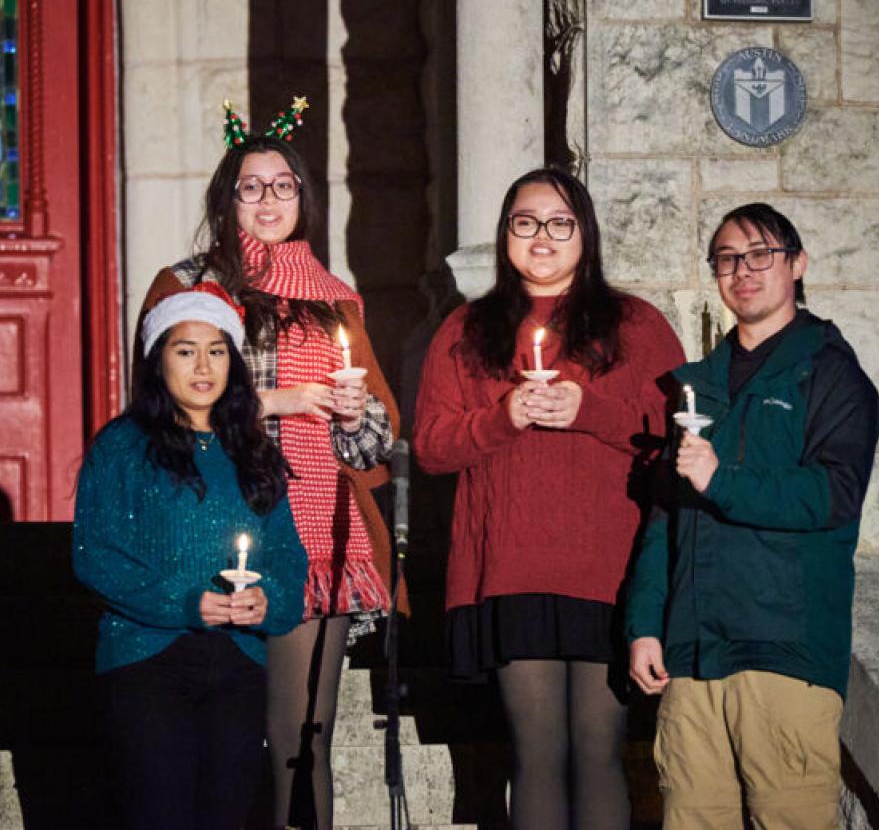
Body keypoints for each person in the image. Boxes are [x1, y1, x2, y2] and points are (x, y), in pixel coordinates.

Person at [139, 99, 402, 830]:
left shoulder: (334, 300)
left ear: (303, 197)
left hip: (315, 536)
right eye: (250, 186)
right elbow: (160, 409)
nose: (268, 200)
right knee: (218, 739)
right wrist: (278, 400)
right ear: (225, 200)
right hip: (213, 528)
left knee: (302, 739)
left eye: (283, 185)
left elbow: (377, 438)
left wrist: (351, 415)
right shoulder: (188, 287)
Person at [413, 167, 685, 830]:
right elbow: (432, 447)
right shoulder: (467, 329)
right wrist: (501, 418)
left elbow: (675, 432)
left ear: (585, 234)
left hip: (607, 568)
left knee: (598, 751)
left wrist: (588, 410)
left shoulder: (637, 324)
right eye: (525, 222)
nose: (542, 236)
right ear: (505, 233)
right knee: (535, 753)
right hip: (513, 566)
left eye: (560, 223)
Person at [626, 202, 879, 830]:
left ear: (797, 264)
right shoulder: (696, 387)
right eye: (727, 259)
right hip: (692, 657)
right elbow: (664, 522)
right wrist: (645, 625)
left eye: (760, 254)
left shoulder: (830, 375)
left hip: (783, 653)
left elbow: (833, 495)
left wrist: (723, 480)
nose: (743, 270)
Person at [73, 287, 309, 830]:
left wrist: (267, 600)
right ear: (158, 361)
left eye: (217, 351)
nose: (203, 366)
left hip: (239, 663)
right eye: (185, 351)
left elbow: (287, 558)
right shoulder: (122, 447)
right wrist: (185, 602)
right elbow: (95, 555)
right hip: (146, 660)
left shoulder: (253, 451)